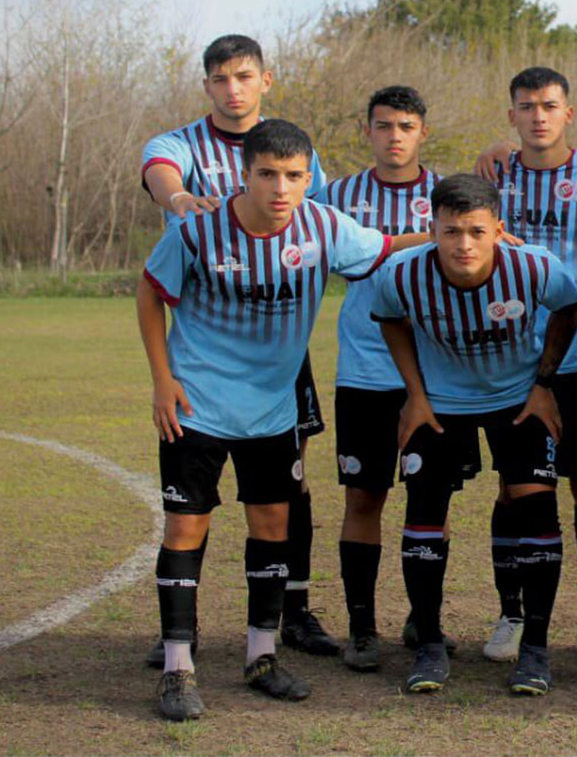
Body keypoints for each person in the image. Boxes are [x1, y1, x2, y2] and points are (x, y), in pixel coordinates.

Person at [138, 119, 396, 721]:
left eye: (295, 176)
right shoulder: (198, 231)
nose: (282, 188)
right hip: (196, 404)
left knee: (273, 526)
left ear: (309, 177)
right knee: (185, 529)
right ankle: (178, 668)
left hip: (272, 409)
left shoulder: (325, 226)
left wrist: (470, 239)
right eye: (268, 174)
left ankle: (261, 656)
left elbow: (385, 246)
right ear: (244, 174)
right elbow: (151, 293)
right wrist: (161, 379)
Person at [140, 35, 339, 663]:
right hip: (208, 341)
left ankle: (291, 615)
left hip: (280, 347)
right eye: (221, 78)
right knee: (191, 505)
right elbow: (160, 174)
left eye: (244, 77)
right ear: (208, 86)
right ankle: (180, 633)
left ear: (265, 81)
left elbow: (333, 228)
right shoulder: (181, 146)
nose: (233, 88)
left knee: (286, 485)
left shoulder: (300, 153)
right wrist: (176, 198)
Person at [371, 174, 577, 697]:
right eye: (450, 232)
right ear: (432, 230)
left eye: (475, 231)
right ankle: (430, 644)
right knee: (423, 514)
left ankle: (535, 647)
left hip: (517, 399)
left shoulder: (534, 267)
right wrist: (415, 394)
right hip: (441, 407)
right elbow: (391, 321)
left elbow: (568, 308)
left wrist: (543, 384)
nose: (463, 244)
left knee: (537, 510)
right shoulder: (400, 275)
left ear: (498, 231)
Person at [476, 67, 577, 665]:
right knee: (516, 490)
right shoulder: (493, 173)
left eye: (548, 106)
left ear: (569, 113)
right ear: (511, 115)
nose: (538, 116)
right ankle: (511, 613)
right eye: (525, 107)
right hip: (510, 357)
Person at [308, 86, 442, 671]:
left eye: (405, 126)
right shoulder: (337, 197)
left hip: (436, 373)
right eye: (383, 125)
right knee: (365, 496)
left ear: (421, 133)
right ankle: (362, 627)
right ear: (368, 131)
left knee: (430, 499)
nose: (394, 136)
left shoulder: (449, 194)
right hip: (364, 372)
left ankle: (424, 618)